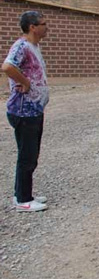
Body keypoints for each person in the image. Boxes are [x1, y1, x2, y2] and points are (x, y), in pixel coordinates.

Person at [2, 11, 50, 212]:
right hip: (24, 111)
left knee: (31, 155)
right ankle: (23, 200)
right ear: (32, 27)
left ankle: (23, 193)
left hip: (34, 110)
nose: (47, 27)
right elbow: (7, 67)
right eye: (43, 24)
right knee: (27, 156)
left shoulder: (34, 46)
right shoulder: (22, 46)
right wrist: (25, 82)